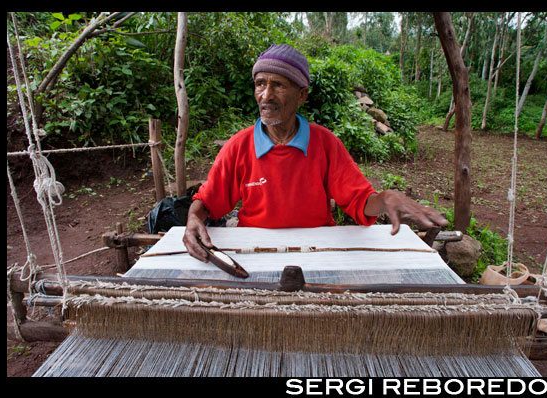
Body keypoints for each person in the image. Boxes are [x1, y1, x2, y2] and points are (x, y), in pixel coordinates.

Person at [183, 44, 448, 263]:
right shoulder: (239, 146)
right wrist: (194, 217)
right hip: (255, 251)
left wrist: (387, 198)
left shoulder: (325, 143)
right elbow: (208, 202)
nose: (266, 95)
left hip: (318, 250)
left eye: (278, 85)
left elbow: (360, 200)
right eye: (260, 84)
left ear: (302, 95)